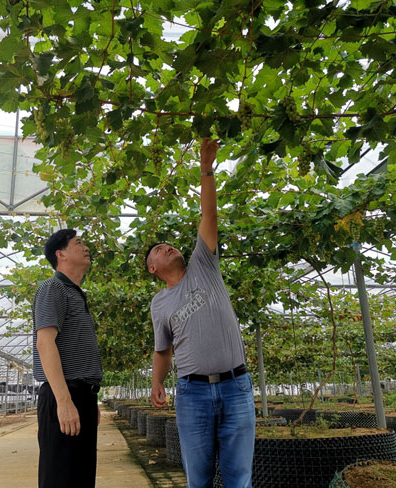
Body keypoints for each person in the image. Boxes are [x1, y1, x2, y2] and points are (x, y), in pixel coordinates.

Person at [146, 138, 256, 488]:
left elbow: (209, 216)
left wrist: (206, 168)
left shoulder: (203, 265)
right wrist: (157, 382)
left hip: (236, 386)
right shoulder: (159, 303)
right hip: (192, 394)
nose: (167, 247)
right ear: (152, 269)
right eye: (159, 250)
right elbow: (162, 349)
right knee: (199, 479)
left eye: (169, 245)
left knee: (239, 478)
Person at [32, 229, 103, 488]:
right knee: (60, 479)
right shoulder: (53, 288)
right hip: (64, 394)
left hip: (80, 395)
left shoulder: (75, 293)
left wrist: (88, 397)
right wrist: (64, 401)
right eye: (79, 243)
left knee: (80, 478)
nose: (86, 247)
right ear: (60, 254)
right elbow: (45, 343)